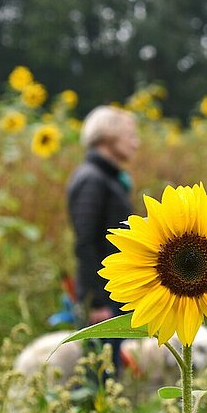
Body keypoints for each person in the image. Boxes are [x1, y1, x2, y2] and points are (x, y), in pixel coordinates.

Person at [66, 105, 140, 376]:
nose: (136, 142)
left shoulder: (106, 178)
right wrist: (96, 302)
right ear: (108, 135)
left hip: (113, 291)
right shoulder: (92, 179)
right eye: (131, 135)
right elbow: (85, 242)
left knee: (110, 371)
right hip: (103, 297)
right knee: (100, 376)